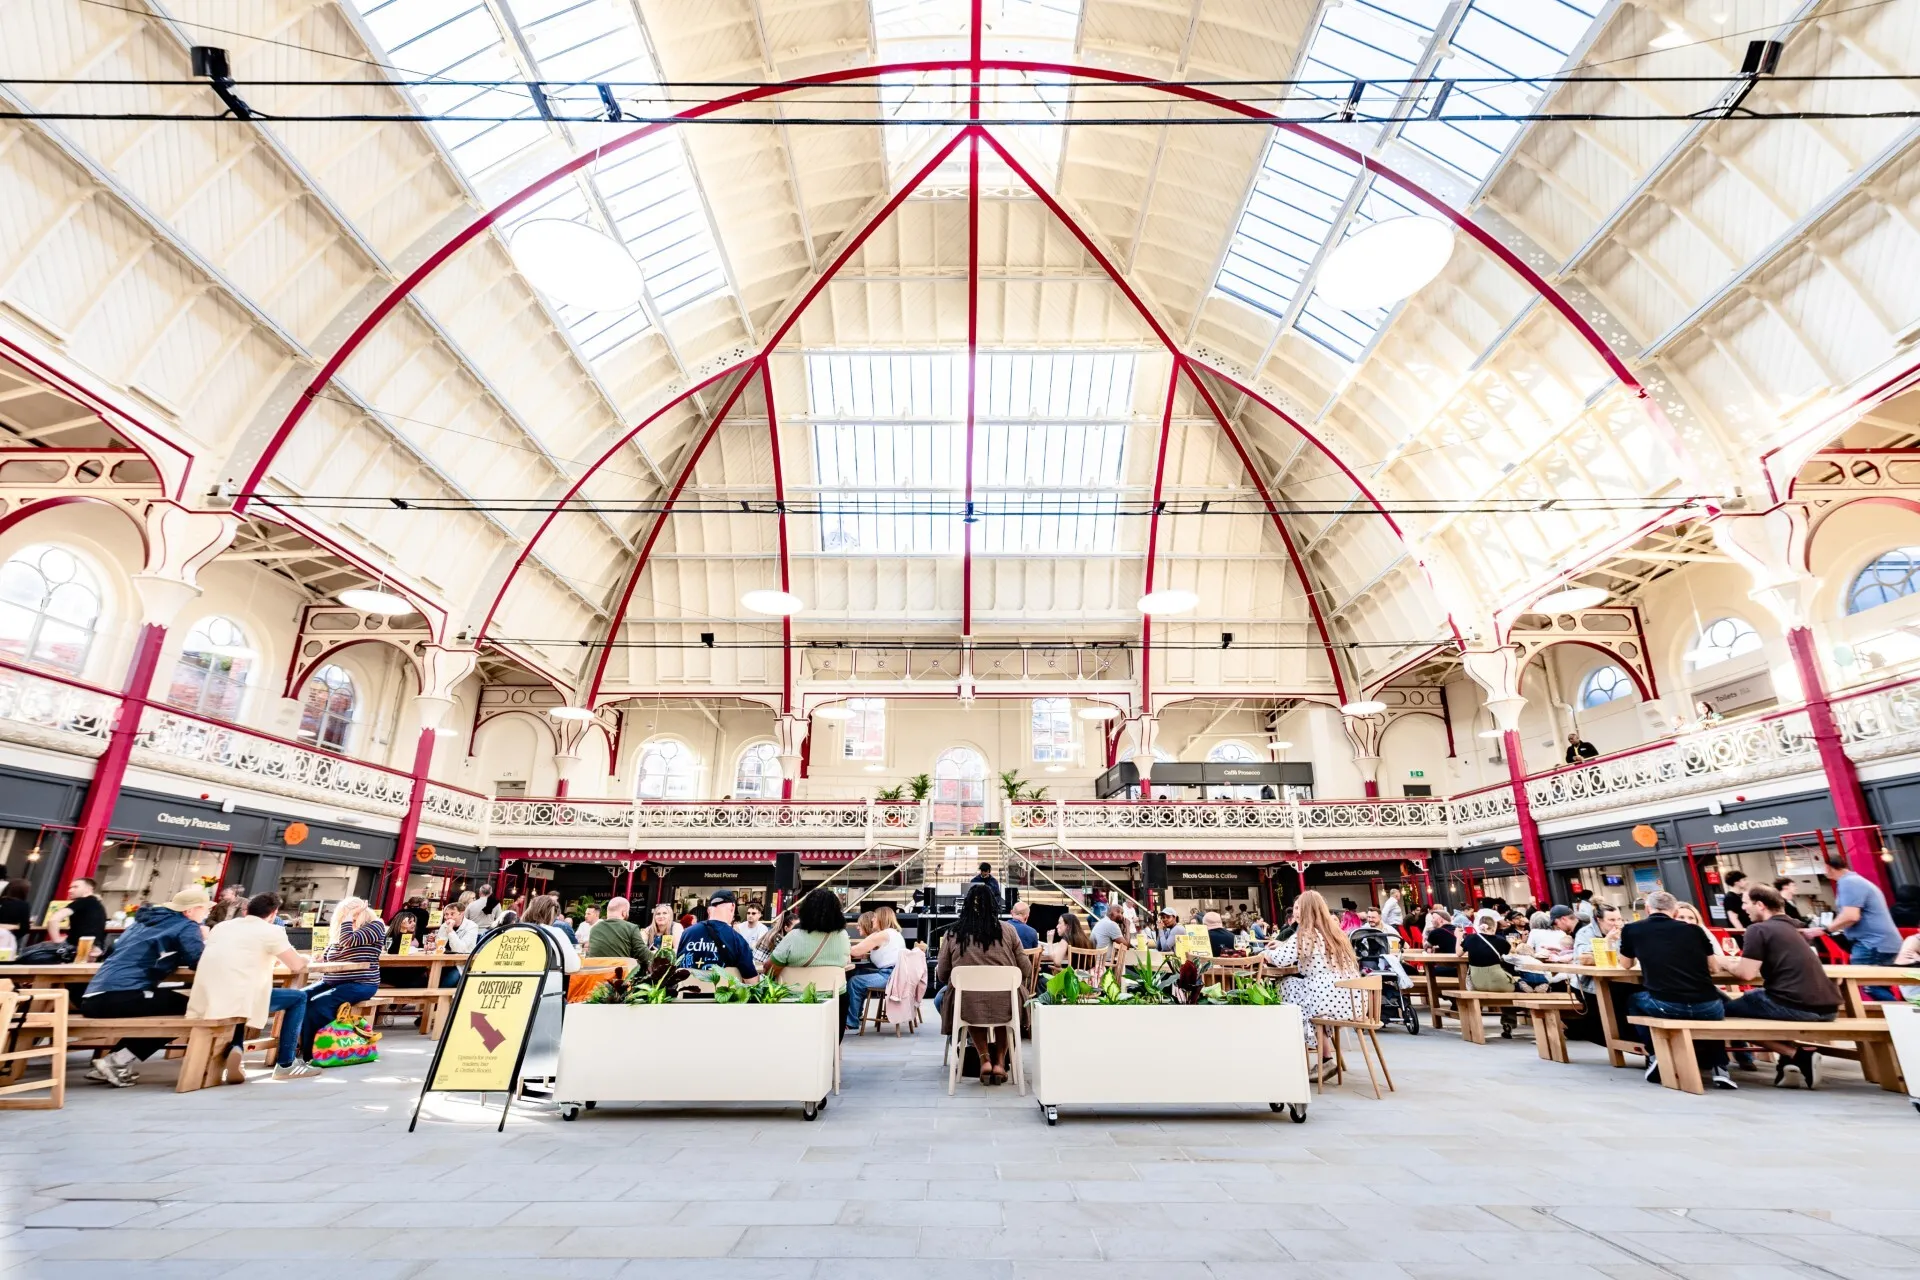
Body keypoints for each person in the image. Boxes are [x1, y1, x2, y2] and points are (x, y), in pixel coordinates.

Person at [77, 888, 212, 1086]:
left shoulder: (141, 923)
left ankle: (115, 1061)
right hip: (121, 995)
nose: (206, 914)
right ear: (190, 911)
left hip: (94, 995)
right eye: (204, 909)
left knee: (172, 1003)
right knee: (193, 1007)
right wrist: (204, 939)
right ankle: (117, 1061)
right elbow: (197, 960)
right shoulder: (186, 926)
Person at [1711, 884, 1841, 1088]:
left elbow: (1746, 973)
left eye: (1746, 903)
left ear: (1760, 905)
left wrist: (1724, 961)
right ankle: (1788, 1062)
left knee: (1719, 1014)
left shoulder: (1758, 929)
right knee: (1757, 1001)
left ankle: (1795, 1055)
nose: (1743, 908)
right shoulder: (1795, 928)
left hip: (1794, 1005)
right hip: (1829, 1008)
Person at [188, 892, 319, 1083]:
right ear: (274, 914)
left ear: (245, 910)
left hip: (207, 996)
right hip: (242, 996)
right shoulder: (272, 932)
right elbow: (297, 966)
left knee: (239, 997)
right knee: (298, 998)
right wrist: (305, 958)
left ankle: (237, 1049)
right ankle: (286, 1064)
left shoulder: (221, 927)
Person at [1619, 890, 1735, 1089]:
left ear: (1648, 909)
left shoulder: (1632, 929)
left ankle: (1655, 1053)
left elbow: (1626, 964)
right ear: (1674, 911)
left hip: (1665, 1004)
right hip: (1708, 1007)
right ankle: (1720, 1066)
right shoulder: (1695, 930)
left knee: (1633, 1000)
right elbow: (1714, 967)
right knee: (1712, 1003)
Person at [935, 884, 1032, 1086]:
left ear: (966, 906)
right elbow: (1026, 969)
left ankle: (984, 1059)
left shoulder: (953, 933)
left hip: (968, 1003)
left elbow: (943, 975)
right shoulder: (1009, 930)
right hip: (1006, 1002)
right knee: (1003, 1003)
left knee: (970, 1002)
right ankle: (999, 1062)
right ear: (994, 906)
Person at [1260, 891, 1360, 1063]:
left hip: (1328, 999)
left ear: (1308, 910)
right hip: (1353, 1000)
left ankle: (1295, 1042)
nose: (1295, 913)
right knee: (1304, 996)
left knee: (1286, 985)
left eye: (1299, 908)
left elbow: (1279, 959)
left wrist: (1263, 954)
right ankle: (1326, 1057)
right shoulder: (1335, 932)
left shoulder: (1306, 933)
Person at [296, 897, 386, 1064]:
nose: (342, 918)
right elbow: (331, 953)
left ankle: (317, 1051)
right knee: (299, 997)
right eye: (342, 915)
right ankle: (293, 1046)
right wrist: (321, 957)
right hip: (332, 981)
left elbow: (348, 941)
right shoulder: (341, 931)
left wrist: (348, 918)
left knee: (319, 1005)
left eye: (346, 914)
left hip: (361, 983)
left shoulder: (375, 926)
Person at [1812, 850, 1903, 999]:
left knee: (1867, 984)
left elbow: (1850, 915)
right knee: (1879, 984)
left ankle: (1905, 1018)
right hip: (1883, 942)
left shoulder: (1848, 882)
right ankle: (1898, 1016)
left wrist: (1825, 930)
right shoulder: (1856, 880)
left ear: (1828, 867)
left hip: (1871, 943)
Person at [844, 905, 904, 1030]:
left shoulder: (883, 935)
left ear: (881, 919)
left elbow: (856, 951)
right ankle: (856, 1015)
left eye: (875, 917)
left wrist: (839, 945)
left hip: (889, 976)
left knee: (854, 982)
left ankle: (851, 1022)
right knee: (856, 973)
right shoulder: (891, 933)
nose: (872, 920)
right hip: (893, 974)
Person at [677, 890, 758, 976]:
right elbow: (752, 981)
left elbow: (678, 966)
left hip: (687, 988)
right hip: (721, 989)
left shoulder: (687, 933)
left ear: (709, 910)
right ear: (732, 907)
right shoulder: (737, 938)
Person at [521, 894, 582, 971]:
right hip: (544, 982)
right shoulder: (555, 932)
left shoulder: (512, 930)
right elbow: (573, 966)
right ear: (551, 915)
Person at [58, 876, 109, 953]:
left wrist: (57, 939)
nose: (70, 890)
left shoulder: (82, 901)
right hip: (94, 947)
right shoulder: (97, 904)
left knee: (36, 952)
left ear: (89, 889)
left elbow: (54, 919)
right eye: (70, 887)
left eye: (75, 887)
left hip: (78, 947)